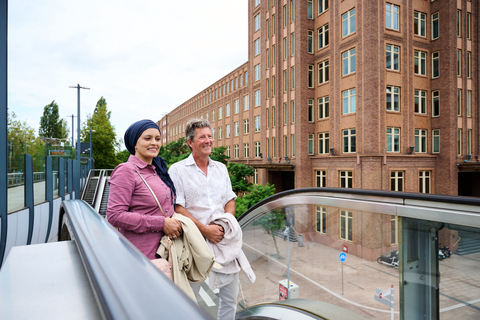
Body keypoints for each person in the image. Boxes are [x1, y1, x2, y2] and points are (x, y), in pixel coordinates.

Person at [168, 118, 240, 320]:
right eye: (202, 137)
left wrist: (225, 224)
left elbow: (230, 199)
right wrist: (204, 230)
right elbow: (177, 206)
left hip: (222, 239)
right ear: (190, 142)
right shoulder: (177, 170)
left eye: (209, 136)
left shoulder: (221, 168)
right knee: (190, 299)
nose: (208, 140)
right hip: (194, 242)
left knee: (230, 298)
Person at [106, 119, 182, 260]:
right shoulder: (126, 171)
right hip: (140, 256)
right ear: (135, 143)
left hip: (165, 251)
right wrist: (162, 223)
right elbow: (115, 215)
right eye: (148, 138)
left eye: (157, 139)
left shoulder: (158, 170)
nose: (154, 142)